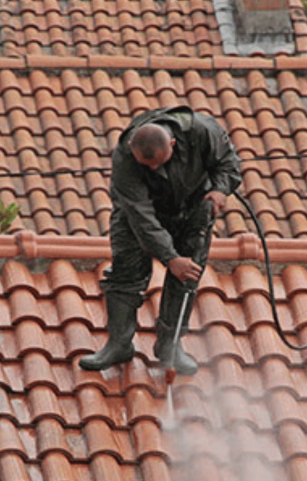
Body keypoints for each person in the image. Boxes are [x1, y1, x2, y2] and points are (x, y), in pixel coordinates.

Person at [79, 106, 242, 374]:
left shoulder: (203, 131)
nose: (154, 169)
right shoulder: (125, 156)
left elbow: (229, 165)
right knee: (125, 272)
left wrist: (220, 190)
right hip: (137, 217)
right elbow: (141, 217)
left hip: (192, 210)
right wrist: (169, 257)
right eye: (147, 165)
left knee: (186, 274)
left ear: (174, 144)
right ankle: (119, 344)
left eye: (159, 162)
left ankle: (170, 345)